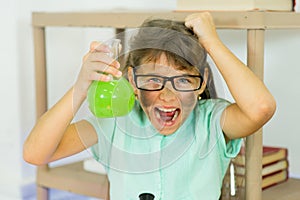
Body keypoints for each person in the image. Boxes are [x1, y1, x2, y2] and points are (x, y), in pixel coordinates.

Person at [23, 12, 276, 199]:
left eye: (183, 80)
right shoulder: (114, 124)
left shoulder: (211, 121)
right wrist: (81, 87)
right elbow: (35, 153)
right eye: (154, 80)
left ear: (202, 83)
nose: (167, 96)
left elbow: (261, 107)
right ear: (132, 81)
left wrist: (212, 42)